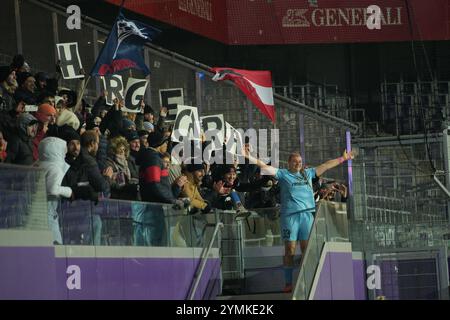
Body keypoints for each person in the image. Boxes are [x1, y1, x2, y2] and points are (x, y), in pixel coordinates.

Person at [243, 148, 355, 293]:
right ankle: (288, 283)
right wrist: (248, 156)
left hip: (307, 216)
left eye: (300, 162)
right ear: (289, 163)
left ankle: (305, 279)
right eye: (295, 162)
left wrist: (343, 159)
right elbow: (264, 167)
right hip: (290, 217)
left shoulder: (308, 173)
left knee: (305, 250)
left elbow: (326, 165)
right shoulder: (283, 174)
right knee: (289, 250)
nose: (298, 164)